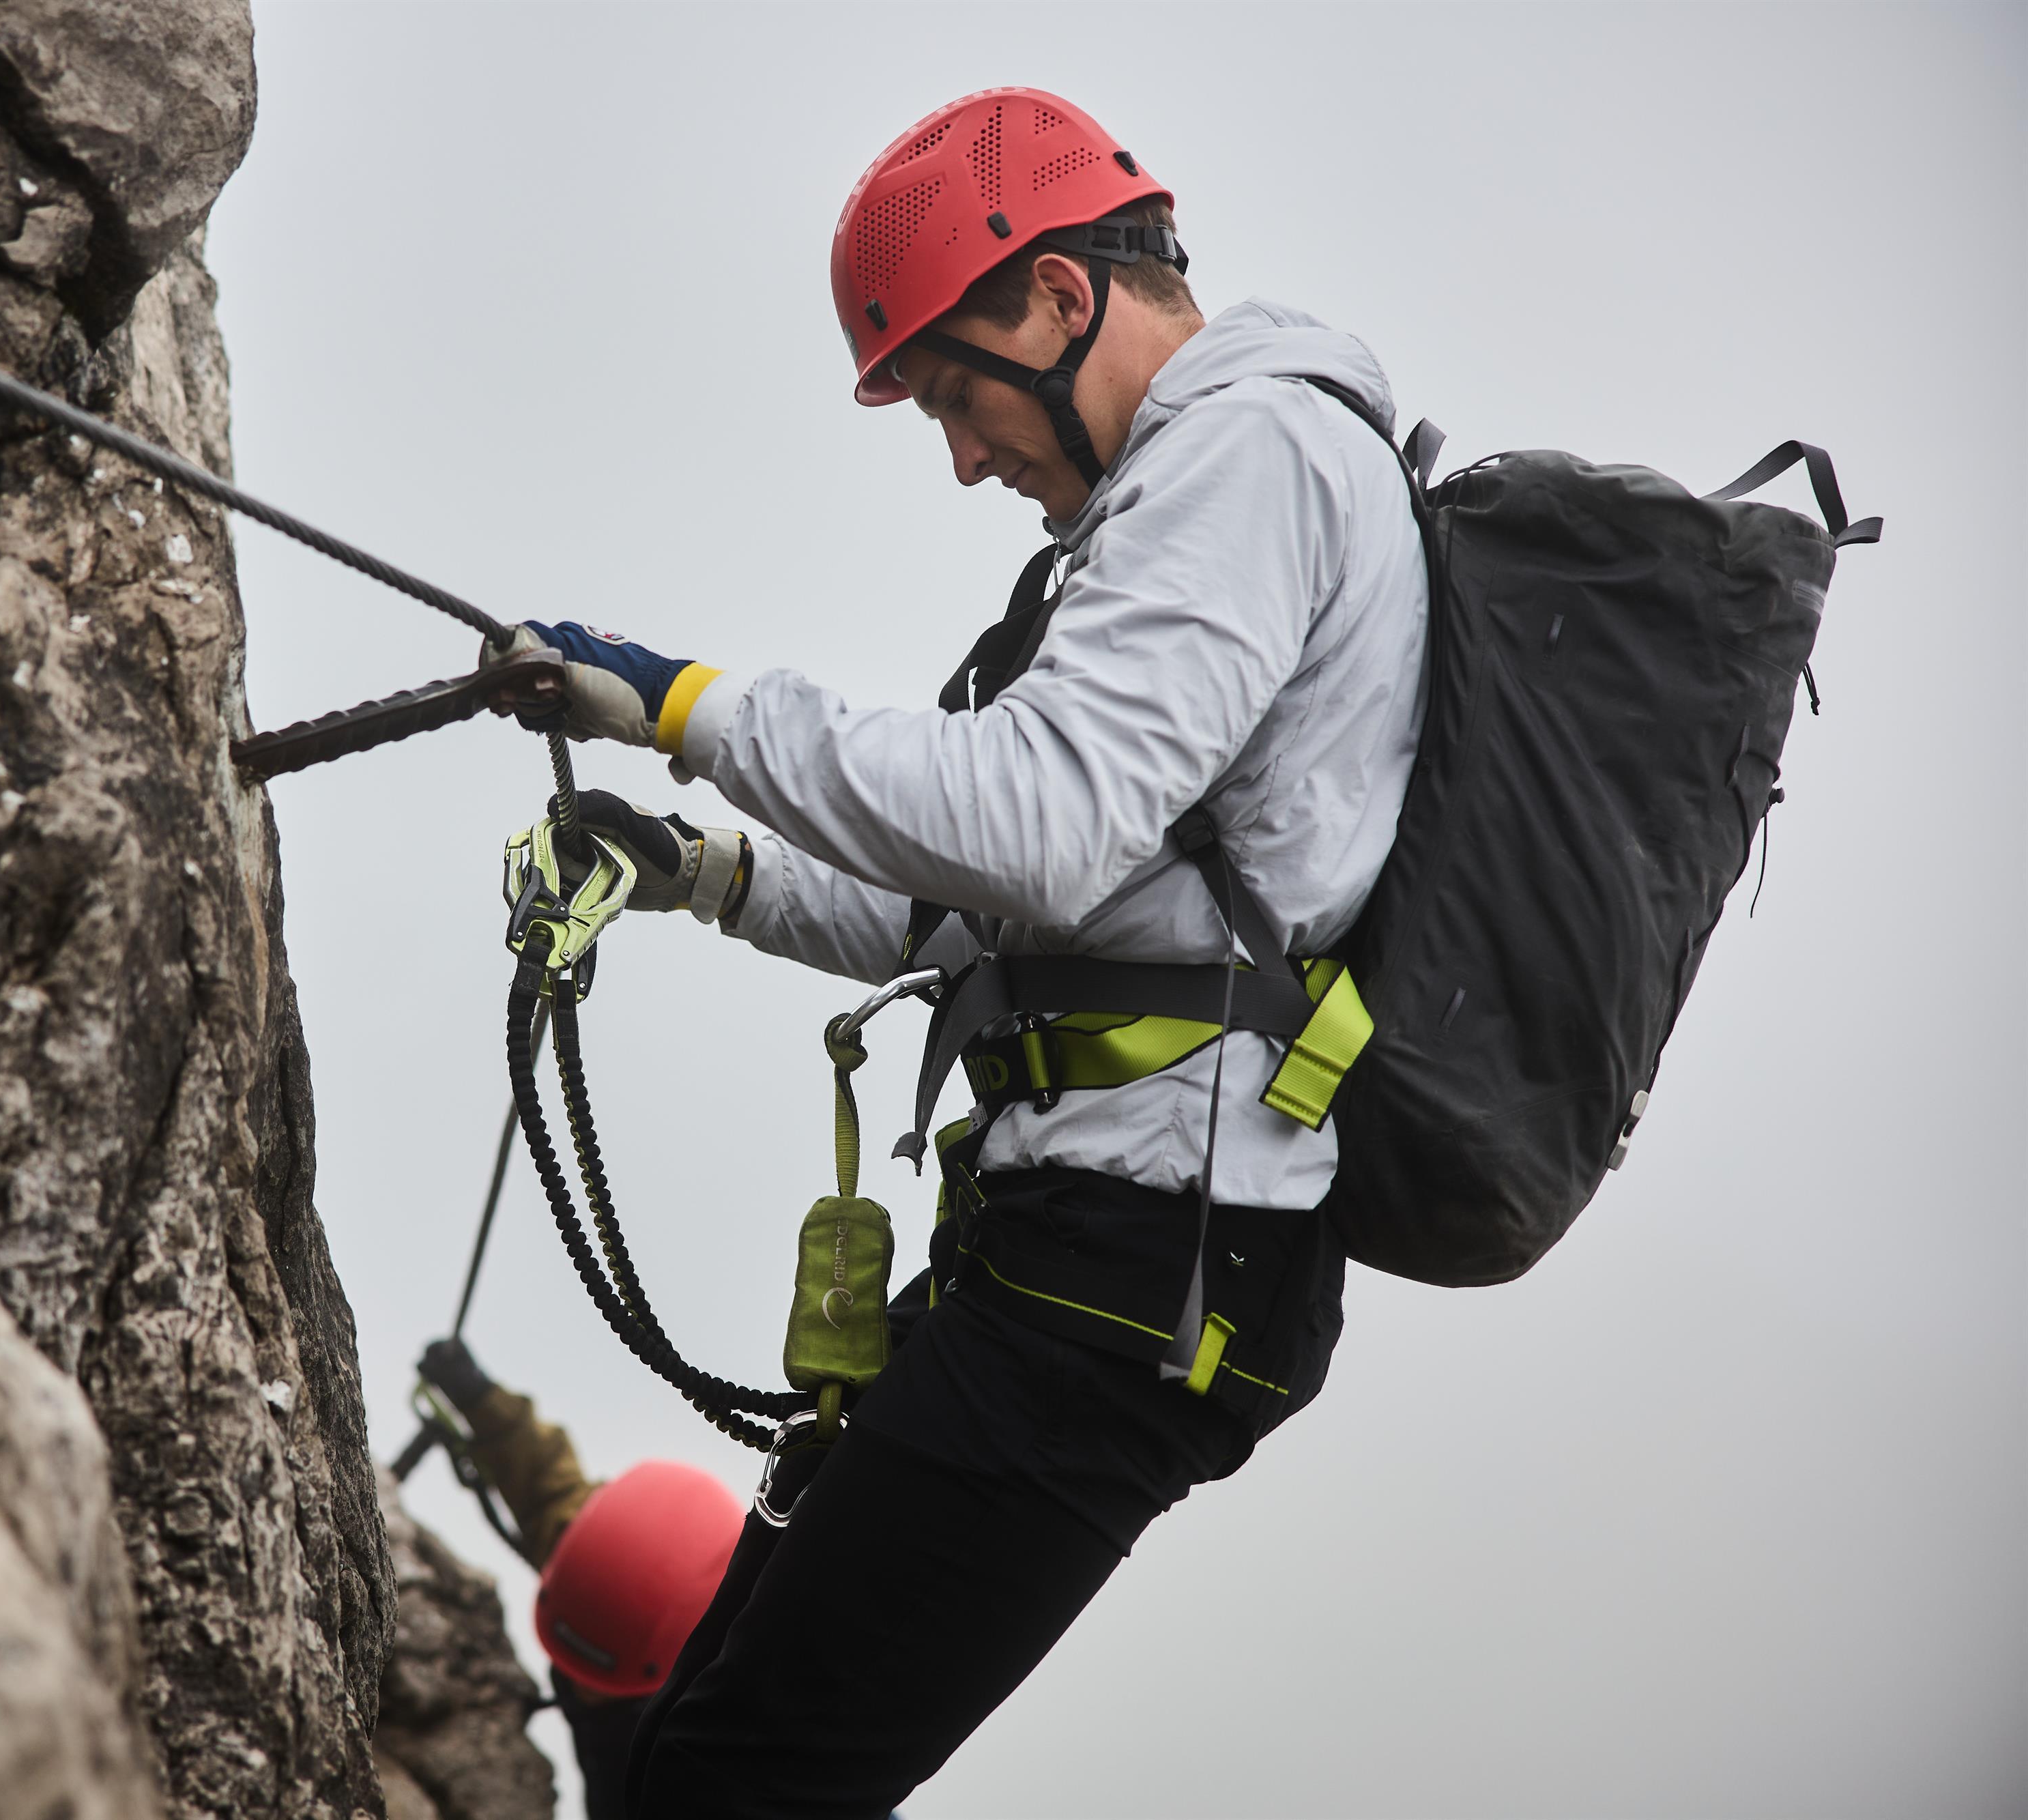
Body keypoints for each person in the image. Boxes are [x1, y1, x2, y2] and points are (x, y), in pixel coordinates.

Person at [480, 87, 1430, 1817]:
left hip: (1135, 1275)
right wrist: (692, 863)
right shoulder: (1166, 509)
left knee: (729, 1792)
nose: (964, 456)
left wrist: (692, 706)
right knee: (701, 1738)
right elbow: (991, 904)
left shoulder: (1252, 460)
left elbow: (1033, 821)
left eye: (956, 394)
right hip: (1082, 1251)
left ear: (1063, 299)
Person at [411, 1338, 744, 1820]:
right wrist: (480, 1399)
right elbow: (546, 1489)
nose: (583, 1688)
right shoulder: (603, 1562)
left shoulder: (726, 1748)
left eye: (599, 1682)